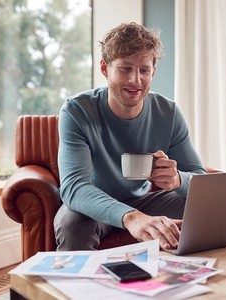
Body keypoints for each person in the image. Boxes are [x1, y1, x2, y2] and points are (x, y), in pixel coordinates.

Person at [54, 22, 206, 252]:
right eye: (125, 68)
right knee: (72, 224)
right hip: (93, 205)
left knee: (208, 207)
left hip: (146, 201)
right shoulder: (77, 111)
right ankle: (80, 288)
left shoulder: (169, 113)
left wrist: (176, 179)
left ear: (153, 71)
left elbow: (200, 181)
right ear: (105, 68)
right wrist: (131, 218)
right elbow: (75, 187)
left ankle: (195, 280)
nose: (135, 80)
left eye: (144, 70)